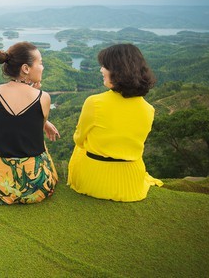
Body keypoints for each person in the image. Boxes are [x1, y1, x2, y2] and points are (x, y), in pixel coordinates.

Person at [67, 43, 163, 202]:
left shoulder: (94, 102)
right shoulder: (149, 109)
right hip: (131, 185)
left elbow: (78, 139)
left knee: (80, 146)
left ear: (117, 71)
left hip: (94, 182)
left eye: (104, 66)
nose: (101, 70)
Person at [0, 41, 60, 204]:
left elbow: (13, 122)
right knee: (42, 147)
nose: (43, 67)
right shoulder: (43, 98)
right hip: (36, 188)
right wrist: (36, 94)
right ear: (25, 68)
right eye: (40, 62)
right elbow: (33, 124)